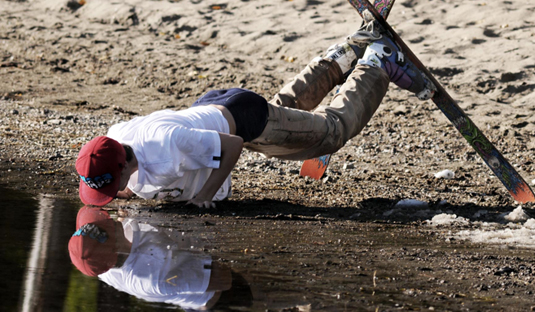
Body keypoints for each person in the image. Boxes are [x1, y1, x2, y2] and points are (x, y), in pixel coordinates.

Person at [75, 12, 434, 208]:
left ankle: (378, 62)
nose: (114, 193)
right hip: (218, 105)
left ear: (122, 164)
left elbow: (231, 145)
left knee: (330, 133)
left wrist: (204, 197)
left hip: (245, 122)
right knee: (287, 110)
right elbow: (121, 172)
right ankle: (342, 56)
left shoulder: (164, 144)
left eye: (112, 185)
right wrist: (120, 189)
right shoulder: (116, 138)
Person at [68, 206, 250, 310]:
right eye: (103, 229)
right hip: (216, 298)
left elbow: (115, 241)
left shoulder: (100, 264)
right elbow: (223, 281)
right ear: (114, 247)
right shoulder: (153, 277)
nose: (106, 220)